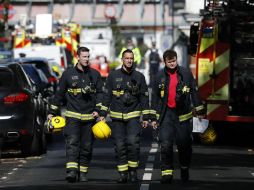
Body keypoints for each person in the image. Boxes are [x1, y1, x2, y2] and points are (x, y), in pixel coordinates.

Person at [47, 46, 104, 183]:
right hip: (72, 117)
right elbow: (59, 95)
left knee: (87, 147)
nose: (86, 59)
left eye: (87, 56)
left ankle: (83, 172)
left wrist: (99, 111)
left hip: (89, 118)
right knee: (72, 143)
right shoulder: (67, 74)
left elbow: (100, 94)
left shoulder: (95, 75)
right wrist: (51, 112)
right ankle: (71, 172)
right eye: (84, 56)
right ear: (77, 57)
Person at [150, 49, 205, 184]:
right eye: (169, 62)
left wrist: (200, 110)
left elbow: (194, 92)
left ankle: (184, 168)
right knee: (166, 145)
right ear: (165, 62)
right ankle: (166, 174)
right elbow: (155, 98)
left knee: (184, 145)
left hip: (183, 116)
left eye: (174, 61)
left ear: (176, 60)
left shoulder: (186, 74)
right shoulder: (158, 77)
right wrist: (154, 118)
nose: (172, 64)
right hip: (166, 115)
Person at [100, 49, 150, 183]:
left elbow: (144, 98)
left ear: (134, 60)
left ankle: (133, 172)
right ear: (122, 59)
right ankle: (123, 174)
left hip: (133, 116)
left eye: (131, 58)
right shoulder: (112, 75)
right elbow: (107, 97)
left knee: (133, 144)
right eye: (127, 58)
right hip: (116, 119)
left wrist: (145, 117)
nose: (129, 61)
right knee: (120, 145)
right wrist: (102, 115)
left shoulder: (139, 77)